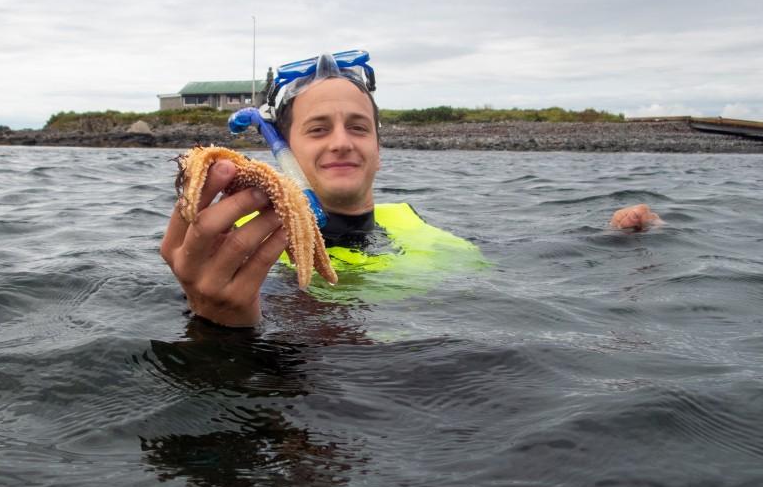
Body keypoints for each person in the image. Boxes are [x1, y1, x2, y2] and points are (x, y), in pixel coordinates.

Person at [161, 51, 661, 328]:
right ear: (284, 147)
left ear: (379, 148)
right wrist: (215, 321)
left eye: (358, 127)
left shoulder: (430, 236)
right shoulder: (227, 253)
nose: (341, 142)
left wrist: (617, 235)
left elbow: (536, 261)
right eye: (317, 129)